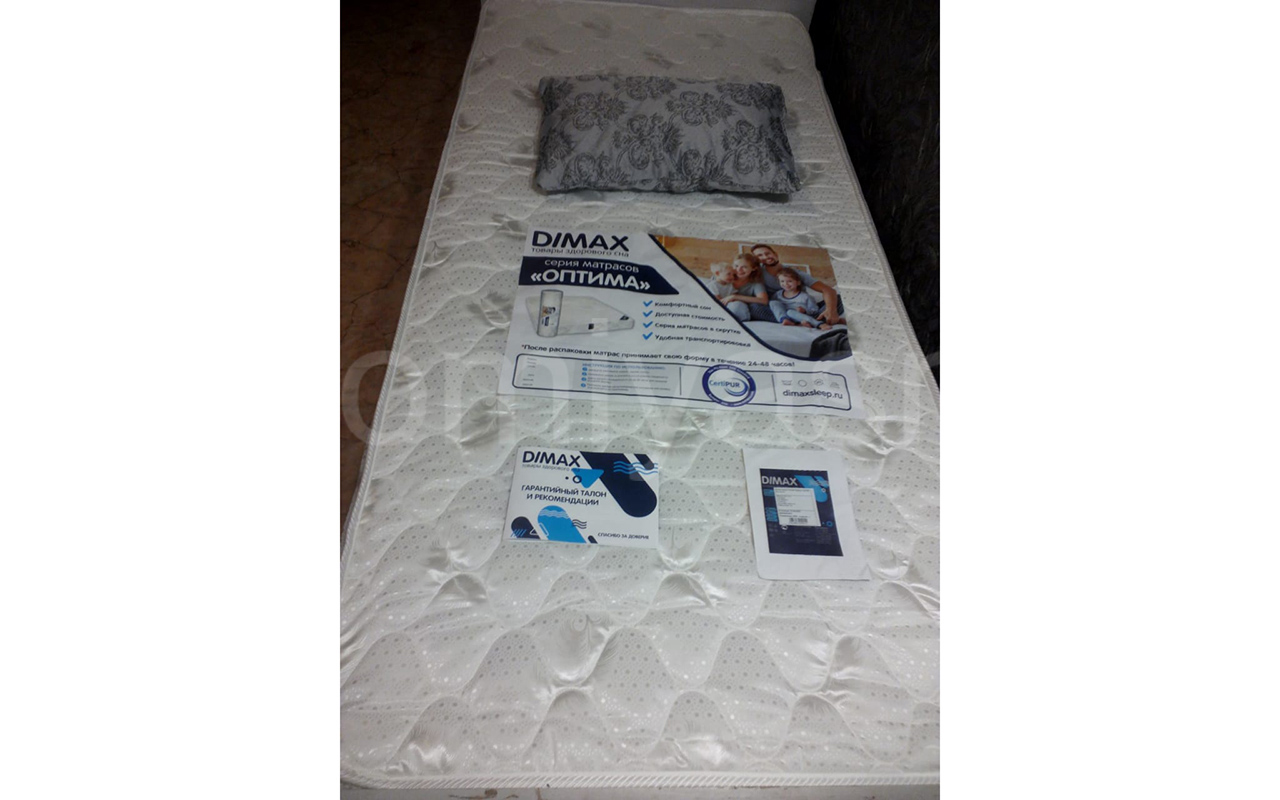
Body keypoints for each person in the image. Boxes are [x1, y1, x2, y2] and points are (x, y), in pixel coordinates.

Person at [751, 243, 842, 326]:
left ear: (775, 254)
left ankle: (807, 319)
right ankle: (804, 321)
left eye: (767, 253)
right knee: (754, 307)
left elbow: (827, 290)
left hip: (801, 309)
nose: (765, 257)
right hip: (777, 310)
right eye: (760, 255)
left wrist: (831, 310)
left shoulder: (794, 273)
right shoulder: (757, 274)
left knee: (838, 299)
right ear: (756, 260)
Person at [770, 267, 844, 329]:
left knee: (790, 312)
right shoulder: (778, 294)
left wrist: (804, 311)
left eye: (789, 281)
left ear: (798, 282)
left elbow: (814, 310)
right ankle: (786, 320)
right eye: (782, 281)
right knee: (773, 302)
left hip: (800, 315)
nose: (785, 284)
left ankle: (818, 324)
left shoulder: (805, 296)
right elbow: (774, 307)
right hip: (785, 316)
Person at [720, 253, 769, 322]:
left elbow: (764, 300)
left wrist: (735, 297)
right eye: (736, 266)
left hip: (740, 310)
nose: (739, 270)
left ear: (754, 268)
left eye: (744, 267)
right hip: (721, 308)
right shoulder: (723, 277)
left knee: (737, 306)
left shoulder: (755, 283)